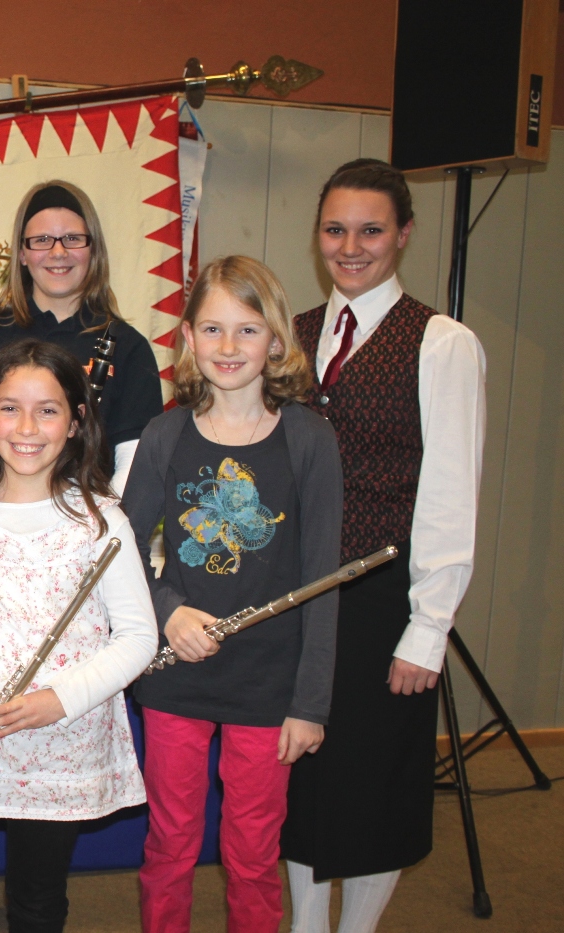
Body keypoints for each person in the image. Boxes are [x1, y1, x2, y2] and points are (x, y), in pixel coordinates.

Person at [281, 159, 486, 933]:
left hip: (384, 600)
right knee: (303, 781)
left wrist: (428, 626)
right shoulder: (293, 335)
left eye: (370, 230)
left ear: (403, 234)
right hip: (299, 596)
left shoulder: (440, 343)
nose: (350, 246)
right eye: (335, 229)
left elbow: (451, 490)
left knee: (373, 785)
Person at [0, 338, 157, 933]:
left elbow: (138, 637)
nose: (27, 428)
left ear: (76, 421)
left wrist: (60, 700)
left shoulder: (102, 519)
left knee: (37, 899)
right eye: (10, 408)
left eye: (48, 410)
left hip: (61, 739)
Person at [121, 256, 343, 933]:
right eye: (212, 329)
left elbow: (323, 580)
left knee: (252, 855)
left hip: (270, 688)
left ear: (275, 339)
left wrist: (309, 704)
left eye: (247, 330)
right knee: (170, 845)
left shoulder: (309, 438)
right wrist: (168, 613)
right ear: (188, 337)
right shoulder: (165, 434)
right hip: (176, 679)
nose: (227, 346)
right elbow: (121, 554)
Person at [0, 181, 163, 495]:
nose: (58, 252)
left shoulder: (129, 348)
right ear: (22, 253)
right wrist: (9, 510)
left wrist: (87, 515)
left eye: (72, 238)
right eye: (42, 240)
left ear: (93, 249)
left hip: (92, 517)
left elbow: (135, 464)